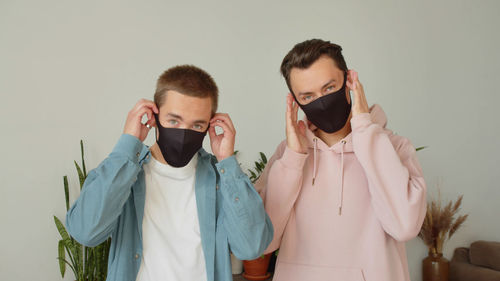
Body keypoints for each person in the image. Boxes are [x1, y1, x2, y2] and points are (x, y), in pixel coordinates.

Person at [66, 65, 273, 281]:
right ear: (154, 116)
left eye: (197, 125)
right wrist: (128, 143)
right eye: (173, 121)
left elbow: (252, 248)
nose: (183, 133)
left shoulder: (222, 179)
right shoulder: (125, 174)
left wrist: (227, 162)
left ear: (209, 125)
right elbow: (85, 232)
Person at [255, 39, 427, 281]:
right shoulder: (287, 155)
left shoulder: (394, 147)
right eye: (307, 96)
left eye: (328, 88)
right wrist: (293, 159)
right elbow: (263, 242)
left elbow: (405, 226)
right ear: (295, 101)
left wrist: (366, 132)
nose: (322, 102)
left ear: (349, 82)